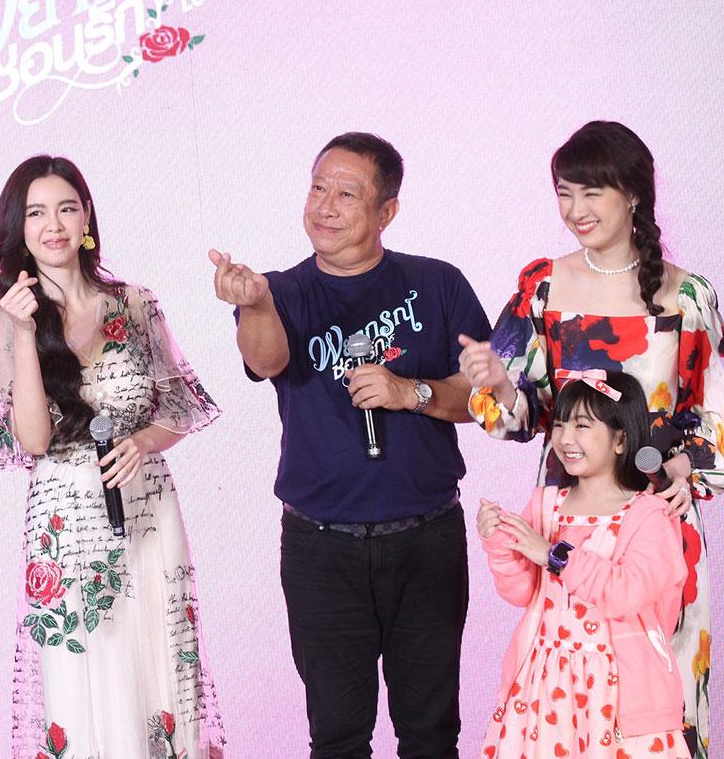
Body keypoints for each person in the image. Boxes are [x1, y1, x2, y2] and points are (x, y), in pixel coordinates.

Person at [210, 132, 490, 757]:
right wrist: (256, 304)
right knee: (337, 737)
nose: (324, 207)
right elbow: (266, 360)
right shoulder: (281, 291)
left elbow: (485, 396)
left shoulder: (438, 283)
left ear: (386, 211)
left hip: (426, 540)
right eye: (317, 188)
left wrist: (409, 392)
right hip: (321, 547)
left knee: (431, 733)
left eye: (346, 194)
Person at [458, 120, 722, 756]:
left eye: (591, 193)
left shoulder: (688, 296)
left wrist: (688, 466)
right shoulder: (542, 287)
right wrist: (497, 381)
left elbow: (715, 411)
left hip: (656, 522)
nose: (575, 210)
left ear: (632, 194)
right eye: (564, 193)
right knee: (561, 702)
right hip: (568, 520)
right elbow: (518, 417)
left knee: (661, 700)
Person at [0, 155, 225, 759]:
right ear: (17, 228)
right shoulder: (1, 325)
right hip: (66, 517)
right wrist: (26, 333)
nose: (53, 225)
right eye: (36, 213)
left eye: (66, 209)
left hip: (146, 504)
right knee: (84, 673)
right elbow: (33, 440)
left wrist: (143, 442)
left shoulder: (134, 303)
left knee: (157, 661)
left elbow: (178, 405)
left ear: (86, 218)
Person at [478, 370, 689, 757]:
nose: (565, 438)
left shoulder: (649, 515)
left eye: (582, 426)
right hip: (544, 688)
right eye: (559, 424)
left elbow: (625, 593)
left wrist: (553, 555)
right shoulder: (546, 504)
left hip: (619, 694)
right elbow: (522, 591)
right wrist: (500, 543)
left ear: (620, 439)